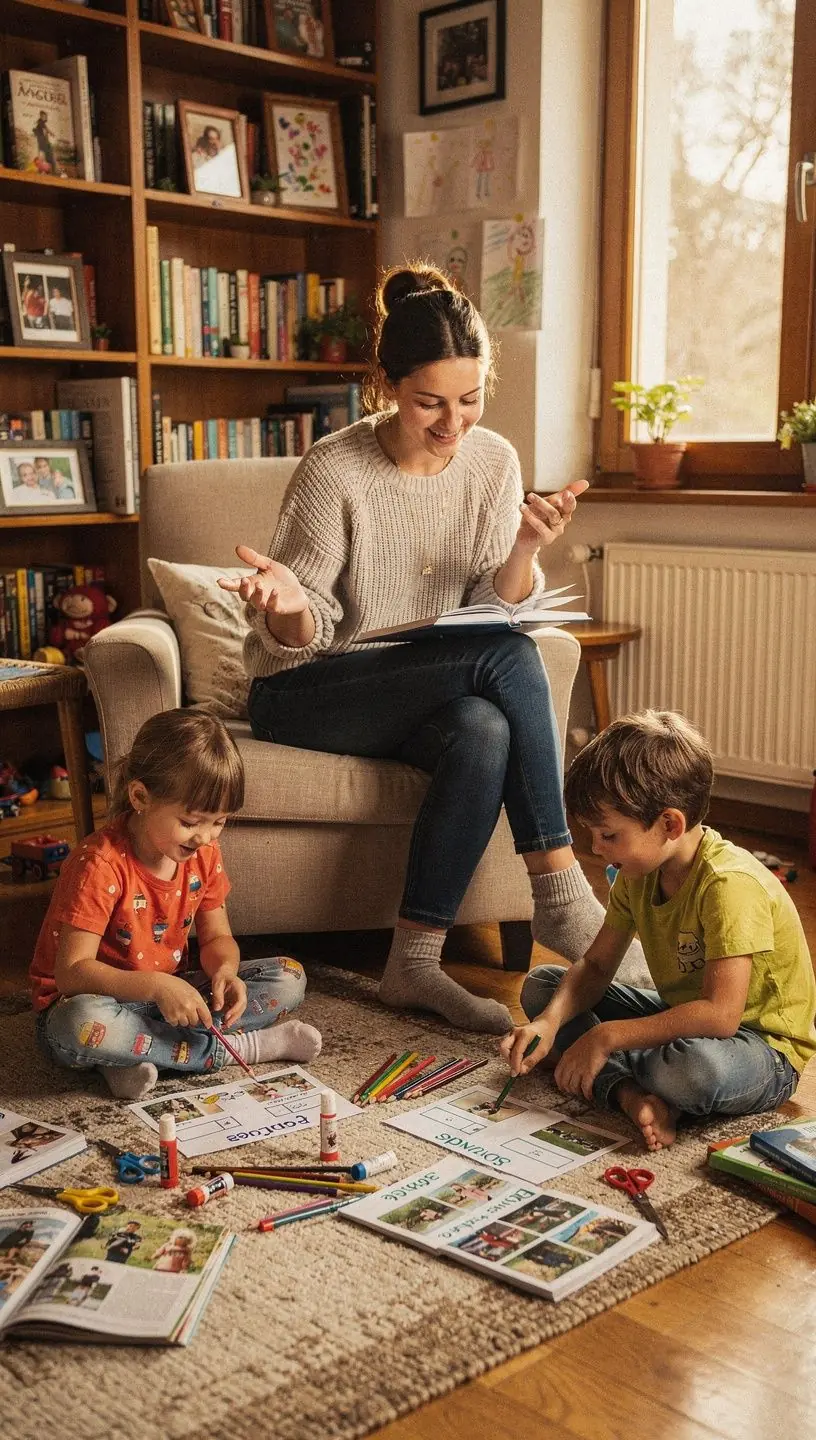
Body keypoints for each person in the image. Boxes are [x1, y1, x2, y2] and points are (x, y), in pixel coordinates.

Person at [219, 263, 644, 1036]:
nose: (455, 422)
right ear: (386, 386)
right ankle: (559, 887)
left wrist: (524, 546)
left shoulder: (493, 462)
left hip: (419, 689)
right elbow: (296, 642)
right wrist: (289, 607)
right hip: (306, 690)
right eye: (430, 403)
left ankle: (412, 963)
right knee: (507, 661)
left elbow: (491, 606)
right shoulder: (334, 468)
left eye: (471, 398)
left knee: (482, 728)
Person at [501, 710, 816, 1150]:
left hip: (760, 1049)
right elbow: (595, 966)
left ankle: (611, 1069)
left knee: (692, 1070)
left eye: (608, 835)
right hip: (682, 1020)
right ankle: (632, 1095)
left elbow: (721, 1016)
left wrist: (605, 1036)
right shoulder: (637, 873)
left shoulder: (729, 885)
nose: (595, 848)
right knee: (543, 988)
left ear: (670, 824)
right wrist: (549, 1023)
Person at [30, 708, 322, 1102]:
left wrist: (225, 972)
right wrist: (157, 985)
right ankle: (243, 1047)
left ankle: (126, 1058)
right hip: (88, 1001)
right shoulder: (98, 864)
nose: (205, 837)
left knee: (289, 977)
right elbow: (72, 972)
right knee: (81, 1024)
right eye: (190, 821)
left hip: (169, 1000)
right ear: (140, 797)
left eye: (219, 822)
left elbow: (217, 937)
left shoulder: (204, 854)